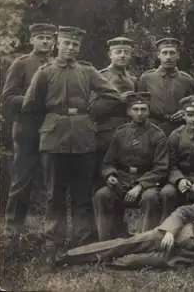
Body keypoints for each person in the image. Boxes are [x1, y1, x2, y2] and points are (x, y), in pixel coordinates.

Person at [21, 25, 123, 262]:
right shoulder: (45, 72)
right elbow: (28, 105)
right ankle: (53, 242)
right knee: (54, 193)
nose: (70, 48)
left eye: (75, 45)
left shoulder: (87, 72)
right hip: (53, 137)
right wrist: (49, 120)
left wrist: (91, 112)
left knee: (82, 192)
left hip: (83, 136)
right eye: (66, 43)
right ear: (58, 44)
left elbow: (113, 95)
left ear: (79, 48)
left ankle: (83, 242)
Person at [56, 175, 194, 273]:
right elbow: (184, 211)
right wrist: (169, 230)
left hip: (190, 255)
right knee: (127, 243)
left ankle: (91, 264)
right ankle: (71, 256)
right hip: (176, 234)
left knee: (132, 262)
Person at [1, 23, 56, 239]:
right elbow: (7, 98)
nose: (45, 42)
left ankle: (52, 230)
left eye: (49, 38)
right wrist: (31, 100)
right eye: (41, 37)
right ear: (31, 40)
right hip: (28, 129)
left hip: (52, 129)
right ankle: (13, 227)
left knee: (53, 179)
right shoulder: (21, 64)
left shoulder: (57, 64)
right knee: (22, 179)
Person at [93, 92, 168, 241]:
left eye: (143, 109)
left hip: (147, 182)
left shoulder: (158, 135)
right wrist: (110, 175)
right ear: (128, 112)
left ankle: (144, 241)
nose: (139, 113)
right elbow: (108, 162)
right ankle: (106, 242)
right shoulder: (120, 133)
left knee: (150, 198)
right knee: (102, 195)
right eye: (136, 109)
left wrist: (140, 186)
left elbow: (161, 168)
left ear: (149, 111)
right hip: (123, 179)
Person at [91, 37, 136, 188]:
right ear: (110, 55)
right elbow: (91, 107)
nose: (122, 55)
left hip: (127, 133)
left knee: (122, 176)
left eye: (126, 52)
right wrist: (118, 100)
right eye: (118, 52)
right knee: (102, 176)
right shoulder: (100, 76)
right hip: (105, 132)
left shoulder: (133, 79)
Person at [136, 37, 194, 136]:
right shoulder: (147, 78)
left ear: (178, 55)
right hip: (152, 129)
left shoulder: (187, 80)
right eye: (165, 53)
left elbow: (193, 104)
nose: (168, 57)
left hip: (180, 130)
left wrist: (184, 112)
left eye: (172, 53)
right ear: (158, 55)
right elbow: (139, 104)